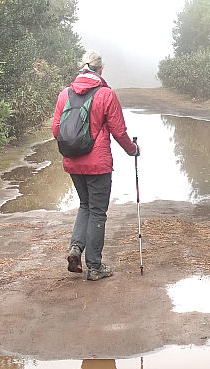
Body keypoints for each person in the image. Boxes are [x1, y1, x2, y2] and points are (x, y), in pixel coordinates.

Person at [52, 50, 139, 281]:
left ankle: (76, 248)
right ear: (100, 70)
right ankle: (95, 267)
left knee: (85, 206)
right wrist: (133, 150)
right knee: (98, 212)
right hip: (98, 165)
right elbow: (119, 131)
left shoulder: (65, 94)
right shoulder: (106, 94)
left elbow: (56, 131)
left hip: (72, 162)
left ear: (81, 68)